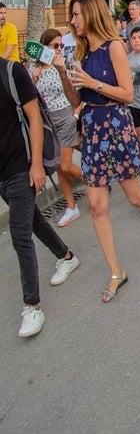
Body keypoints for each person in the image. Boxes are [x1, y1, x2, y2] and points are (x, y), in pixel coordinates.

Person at [65, 0, 140, 303]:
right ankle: (117, 271)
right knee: (96, 205)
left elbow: (127, 94)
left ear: (91, 14)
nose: (73, 20)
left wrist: (92, 83)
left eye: (77, 14)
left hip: (115, 127)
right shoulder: (82, 53)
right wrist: (65, 77)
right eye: (72, 15)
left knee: (134, 197)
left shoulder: (114, 46)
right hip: (92, 130)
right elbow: (78, 99)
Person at [0, 57, 80, 336]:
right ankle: (66, 256)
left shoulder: (12, 72)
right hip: (1, 175)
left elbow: (34, 118)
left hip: (20, 167)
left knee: (20, 233)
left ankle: (32, 307)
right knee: (33, 220)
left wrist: (35, 164)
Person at [31, 29, 84, 227]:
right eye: (55, 46)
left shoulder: (65, 66)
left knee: (65, 165)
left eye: (62, 45)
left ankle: (95, 183)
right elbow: (30, 98)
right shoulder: (33, 69)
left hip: (65, 116)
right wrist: (33, 79)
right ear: (44, 47)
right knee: (60, 168)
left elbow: (77, 94)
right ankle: (72, 207)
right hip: (47, 122)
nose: (60, 49)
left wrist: (76, 115)